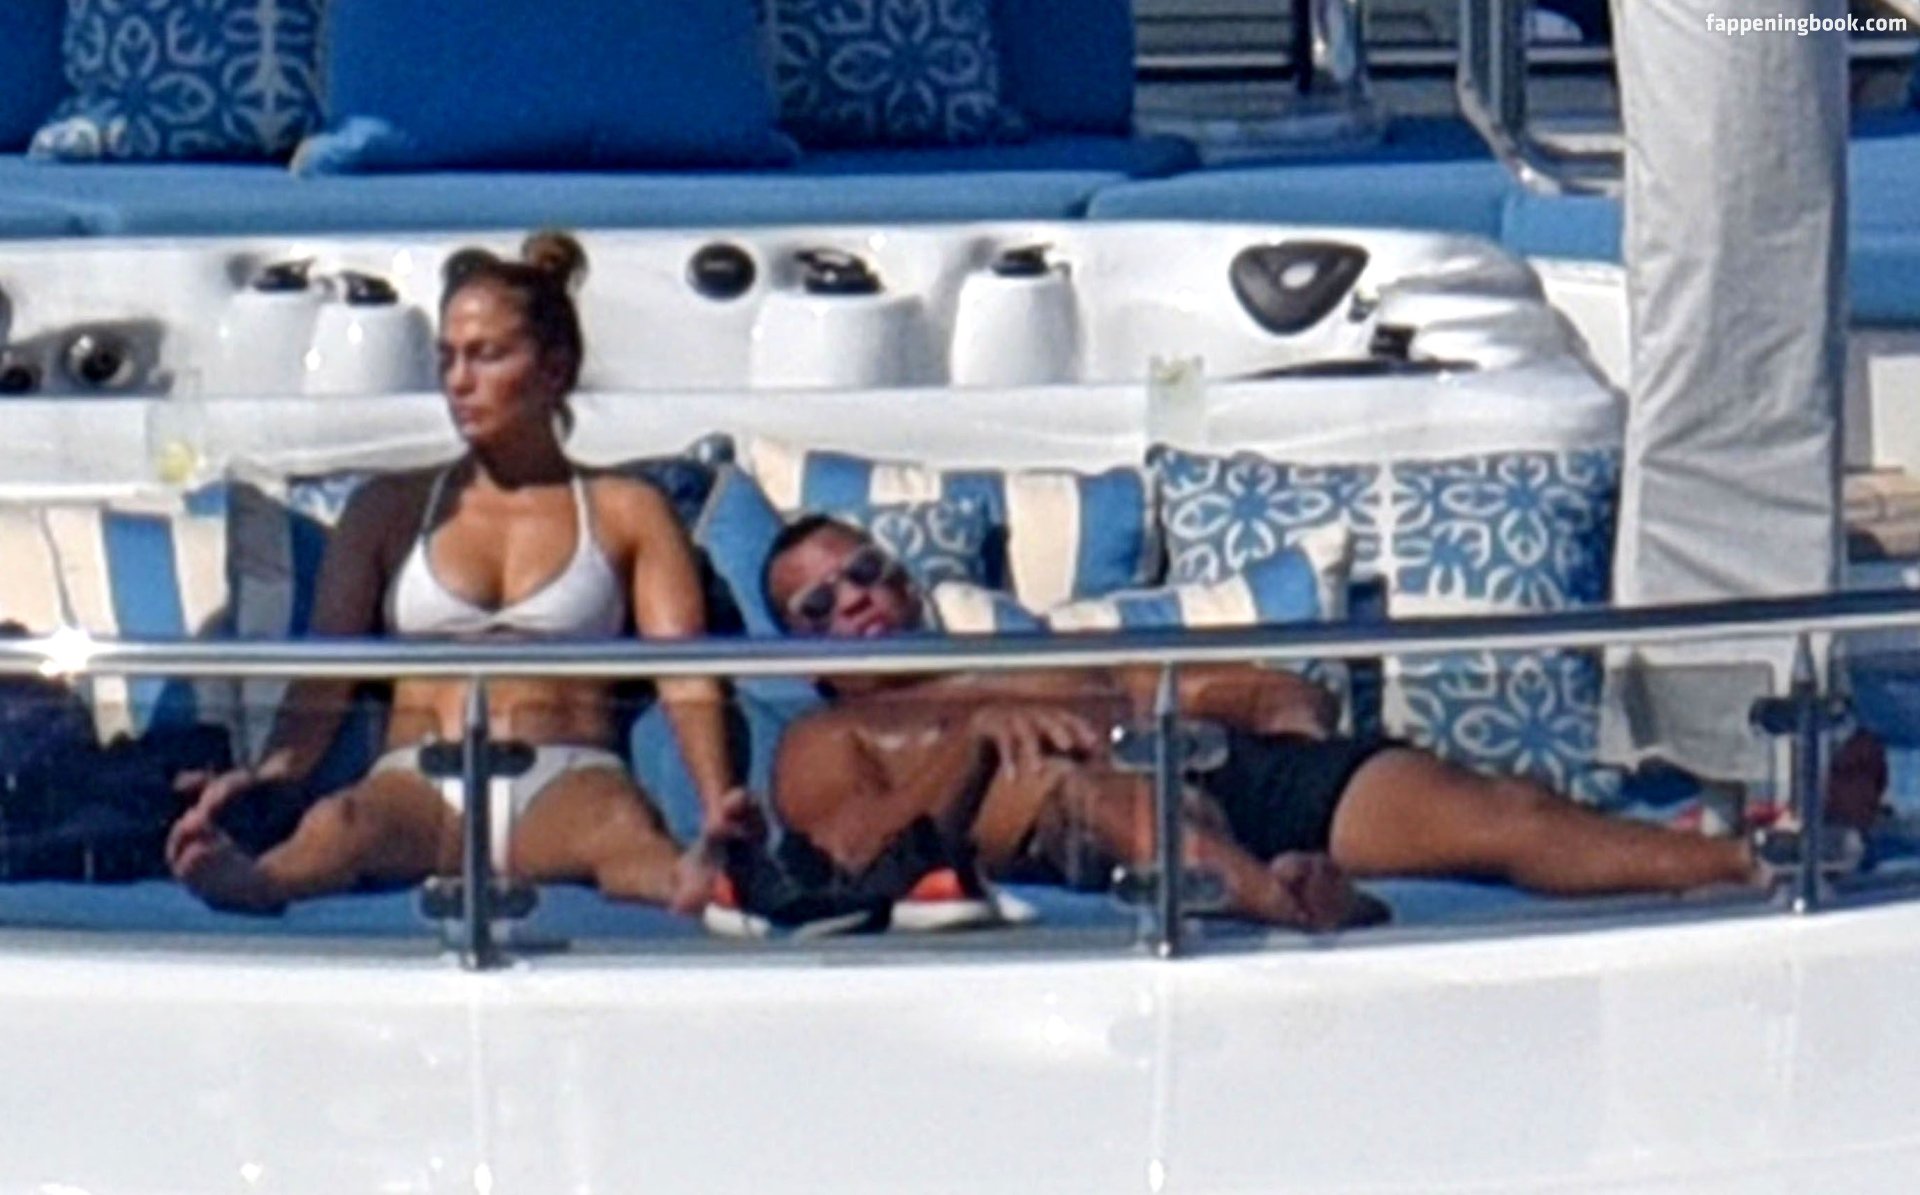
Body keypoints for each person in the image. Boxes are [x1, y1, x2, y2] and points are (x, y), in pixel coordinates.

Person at [743, 515, 1797, 931]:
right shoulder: (820, 740)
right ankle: (1293, 904)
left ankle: (1754, 857)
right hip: (1091, 816)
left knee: (1500, 810)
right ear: (807, 652)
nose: (856, 598)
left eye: (866, 571)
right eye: (820, 605)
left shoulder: (1036, 658)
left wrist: (1279, 707)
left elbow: (1220, 685)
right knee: (1116, 796)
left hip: (1232, 769)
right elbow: (860, 849)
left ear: (907, 581)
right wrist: (974, 743)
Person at [168, 232, 743, 914]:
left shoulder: (628, 510)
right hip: (417, 784)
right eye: (446, 358)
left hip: (566, 779)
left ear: (555, 369)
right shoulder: (387, 509)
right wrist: (272, 775)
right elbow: (326, 674)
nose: (459, 382)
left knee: (624, 831)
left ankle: (692, 875)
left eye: (487, 355)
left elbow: (687, 674)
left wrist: (718, 806)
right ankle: (260, 881)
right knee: (339, 824)